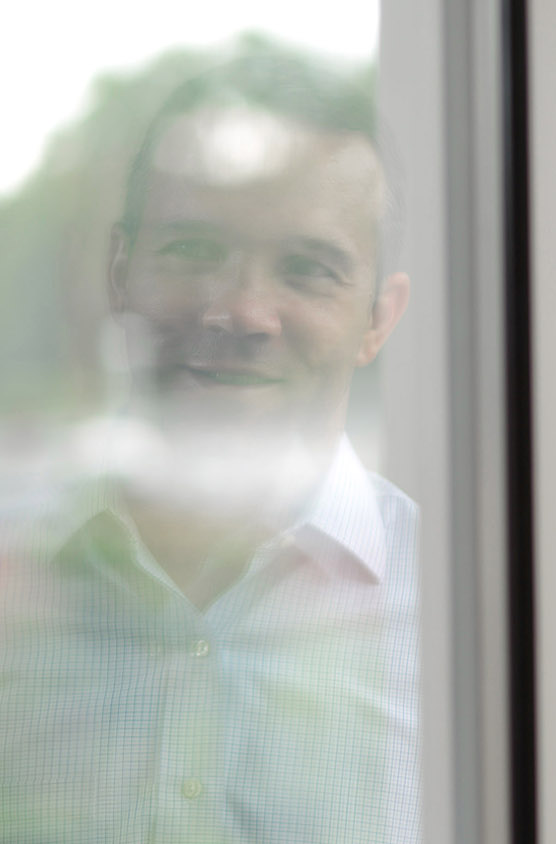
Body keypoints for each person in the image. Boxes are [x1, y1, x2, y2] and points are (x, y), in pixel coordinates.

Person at [0, 52, 418, 843]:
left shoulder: (487, 625)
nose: (241, 310)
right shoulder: (12, 583)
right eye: (194, 251)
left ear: (378, 319)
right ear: (121, 273)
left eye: (307, 269)